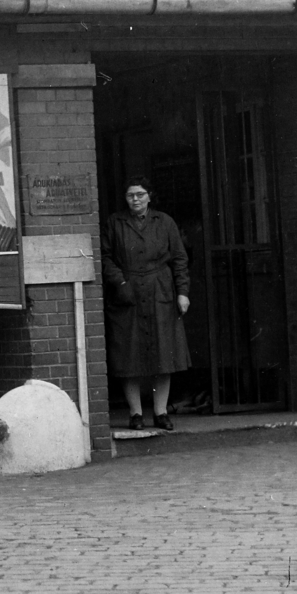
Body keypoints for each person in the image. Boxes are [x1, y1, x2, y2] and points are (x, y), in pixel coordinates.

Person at [101, 176, 191, 430]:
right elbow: (105, 257)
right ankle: (136, 413)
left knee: (164, 354)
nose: (136, 199)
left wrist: (182, 292)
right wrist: (120, 283)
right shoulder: (115, 223)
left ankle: (161, 412)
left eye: (140, 194)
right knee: (128, 356)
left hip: (160, 292)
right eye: (131, 195)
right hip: (127, 294)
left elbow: (180, 260)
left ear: (149, 196)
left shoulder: (165, 223)